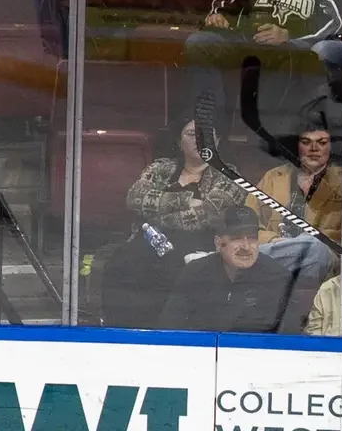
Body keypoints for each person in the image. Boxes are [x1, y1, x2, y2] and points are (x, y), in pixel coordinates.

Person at [103, 118, 248, 329]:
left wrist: (155, 212)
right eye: (191, 134)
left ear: (216, 141)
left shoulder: (229, 174)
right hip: (147, 244)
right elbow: (135, 198)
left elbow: (207, 216)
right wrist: (185, 200)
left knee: (176, 275)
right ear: (179, 141)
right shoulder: (160, 168)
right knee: (119, 262)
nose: (199, 139)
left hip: (198, 249)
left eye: (206, 134)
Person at [183, 0, 342, 140]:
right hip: (246, 40)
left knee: (293, 61)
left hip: (291, 48)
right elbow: (228, 5)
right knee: (199, 43)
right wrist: (219, 17)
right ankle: (211, 128)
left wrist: (289, 36)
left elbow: (336, 21)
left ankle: (267, 139)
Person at [248, 117, 342, 280]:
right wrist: (273, 240)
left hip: (327, 262)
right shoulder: (272, 177)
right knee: (238, 246)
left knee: (314, 247)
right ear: (297, 146)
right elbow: (248, 223)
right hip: (276, 254)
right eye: (306, 142)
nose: (314, 149)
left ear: (331, 147)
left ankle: (254, 261)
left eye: (322, 142)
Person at [159, 204, 298, 333]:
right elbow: (170, 328)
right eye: (236, 238)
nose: (246, 247)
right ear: (219, 243)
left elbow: (289, 337)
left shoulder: (278, 278)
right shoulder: (194, 273)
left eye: (252, 238)